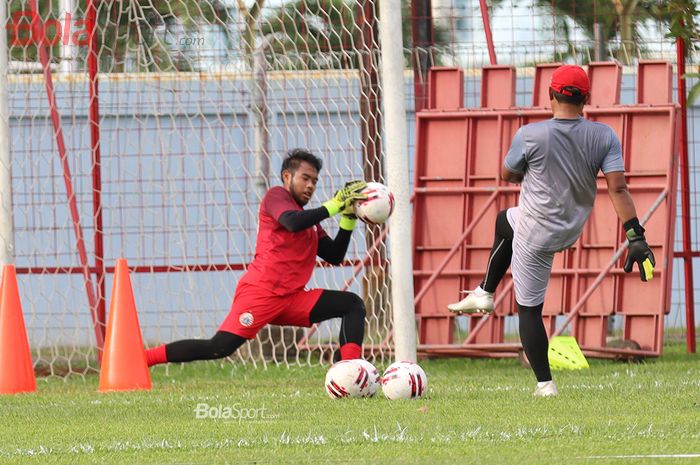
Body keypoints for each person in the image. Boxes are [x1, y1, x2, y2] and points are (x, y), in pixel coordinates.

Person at [446, 65, 655, 397]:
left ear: (550, 95)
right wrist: (636, 236)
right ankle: (485, 292)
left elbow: (507, 174)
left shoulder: (531, 134)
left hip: (536, 233)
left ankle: (544, 384)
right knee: (504, 220)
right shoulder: (604, 136)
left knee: (528, 309)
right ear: (586, 98)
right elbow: (618, 189)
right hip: (570, 229)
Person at [146, 149, 369, 366]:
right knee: (218, 347)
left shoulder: (310, 223)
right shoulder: (276, 196)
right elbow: (292, 222)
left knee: (352, 305)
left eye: (314, 181)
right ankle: (145, 358)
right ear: (287, 176)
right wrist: (335, 204)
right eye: (305, 178)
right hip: (261, 292)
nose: (310, 185)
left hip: (292, 297)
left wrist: (347, 216)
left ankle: (349, 370)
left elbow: (334, 255)